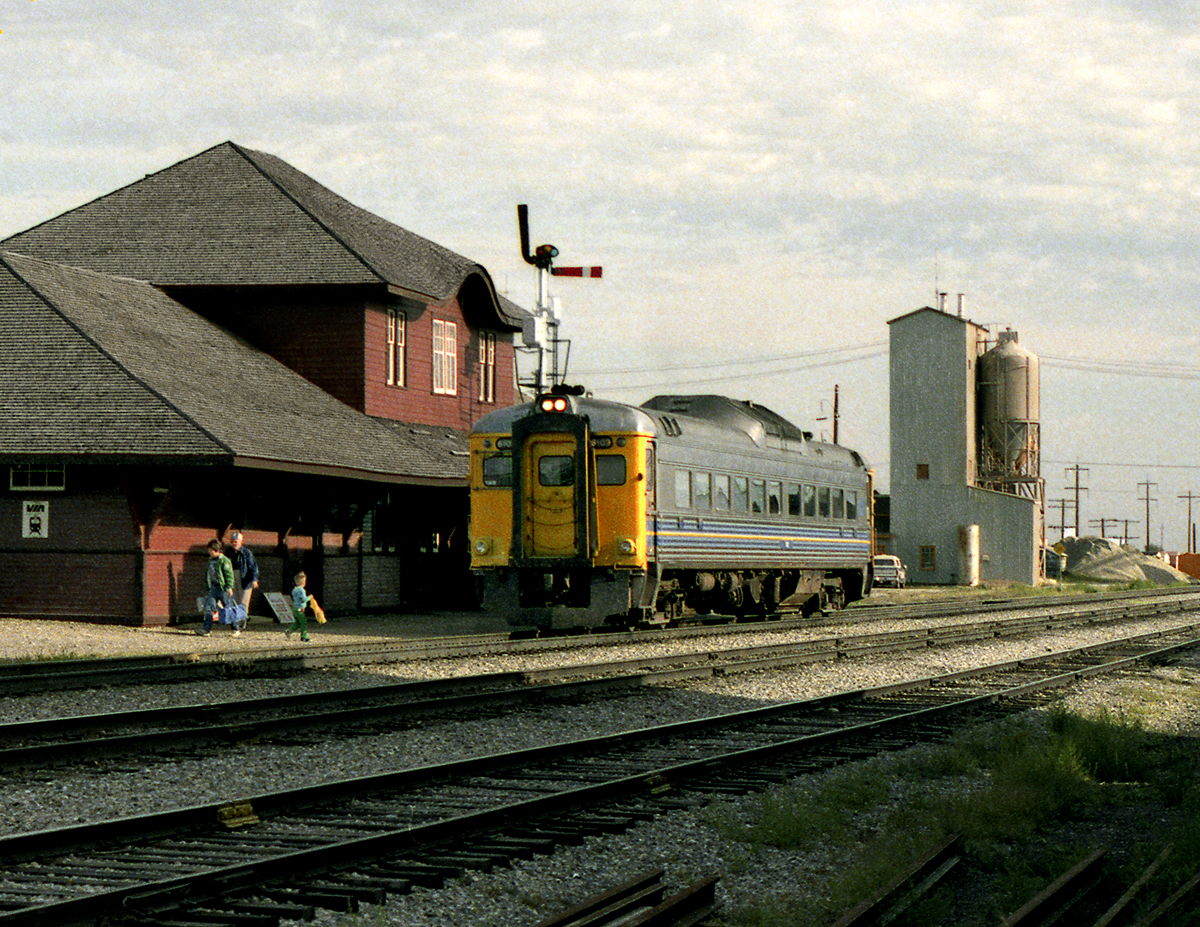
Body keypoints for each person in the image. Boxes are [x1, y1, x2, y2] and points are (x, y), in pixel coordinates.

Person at [198, 538, 235, 636]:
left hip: (222, 588)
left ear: (216, 550)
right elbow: (207, 574)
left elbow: (229, 575)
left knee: (228, 608)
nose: (209, 552)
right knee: (209, 608)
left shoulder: (224, 561)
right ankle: (206, 629)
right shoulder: (210, 561)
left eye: (210, 550)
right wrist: (208, 586)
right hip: (213, 587)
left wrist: (229, 587)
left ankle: (235, 628)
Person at [226, 531, 258, 635]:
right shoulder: (228, 552)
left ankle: (241, 623)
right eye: (233, 541)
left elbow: (253, 567)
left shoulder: (247, 553)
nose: (234, 543)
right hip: (232, 578)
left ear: (241, 541)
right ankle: (236, 625)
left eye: (236, 541)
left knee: (243, 602)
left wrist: (254, 579)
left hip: (245, 579)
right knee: (234, 601)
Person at [287, 571, 312, 642]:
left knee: (298, 622)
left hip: (295, 608)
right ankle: (304, 636)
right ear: (303, 582)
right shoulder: (301, 590)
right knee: (303, 622)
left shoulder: (294, 590)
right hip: (300, 609)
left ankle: (289, 630)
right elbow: (303, 599)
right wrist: (309, 597)